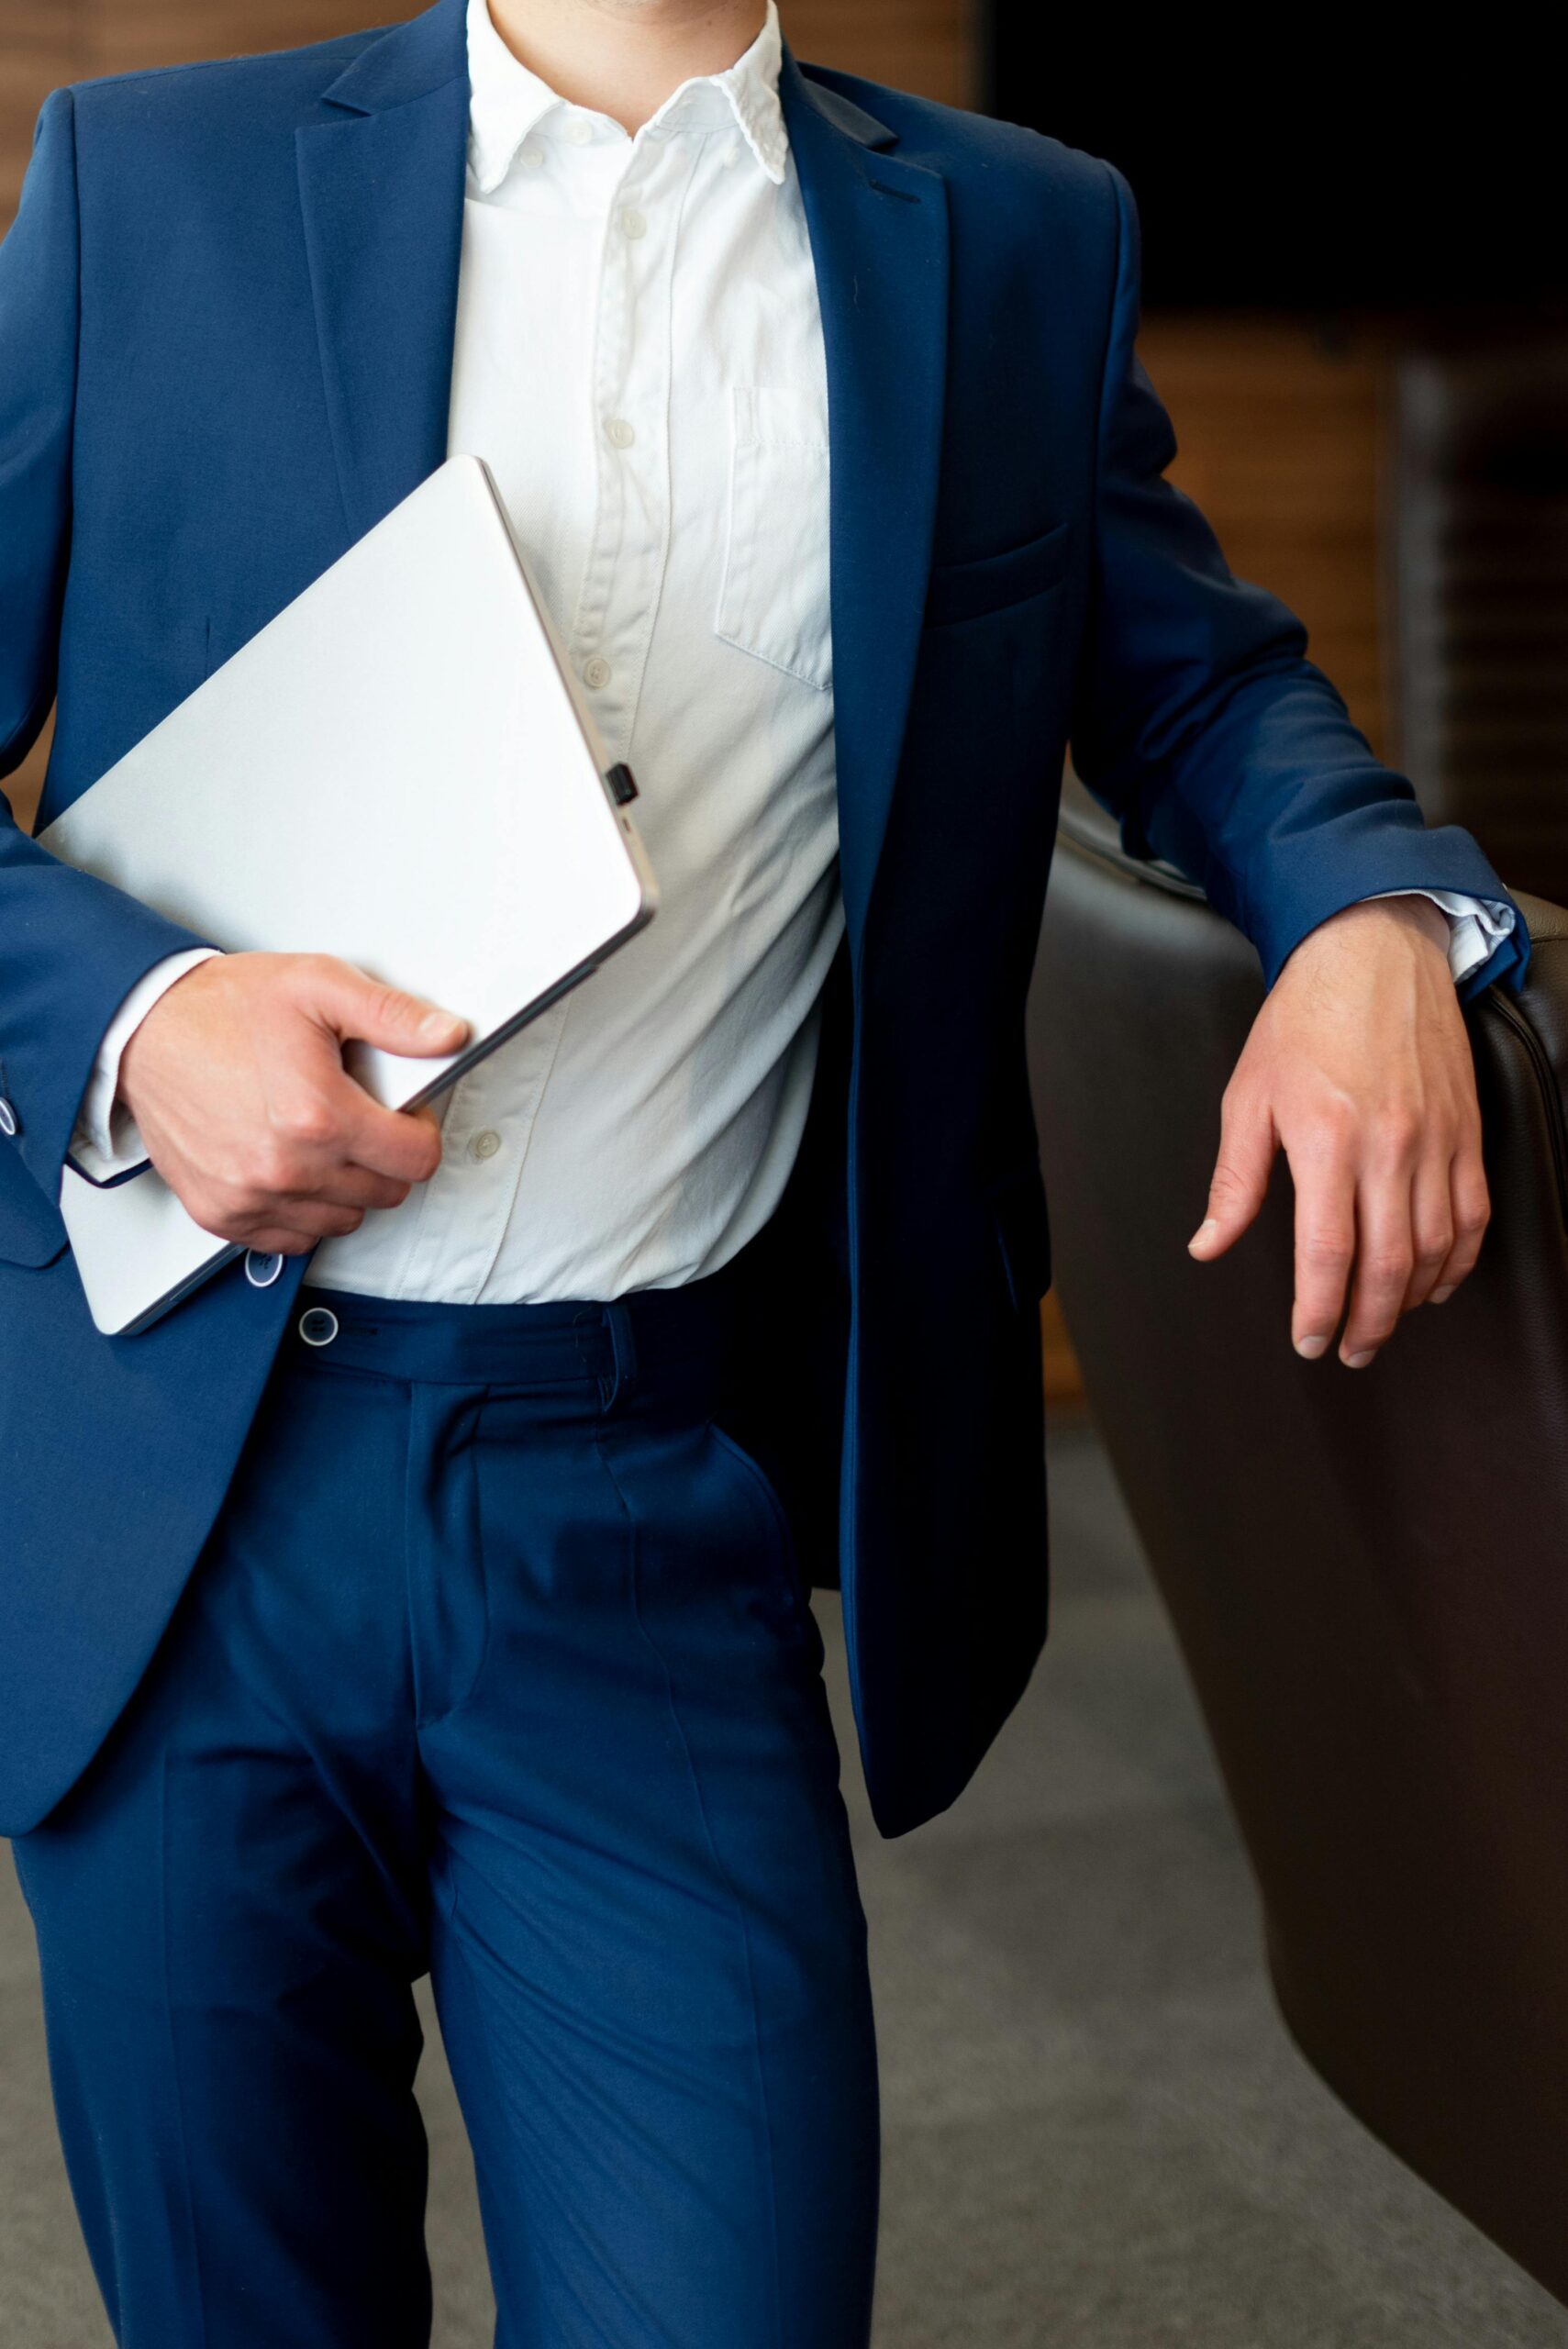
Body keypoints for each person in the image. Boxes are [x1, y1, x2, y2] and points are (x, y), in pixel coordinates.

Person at [0, 2, 1526, 2342]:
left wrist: (1375, 919)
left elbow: (1203, 690)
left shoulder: (1012, 240)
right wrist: (131, 1016)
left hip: (644, 1518)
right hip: (177, 1517)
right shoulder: (146, 189)